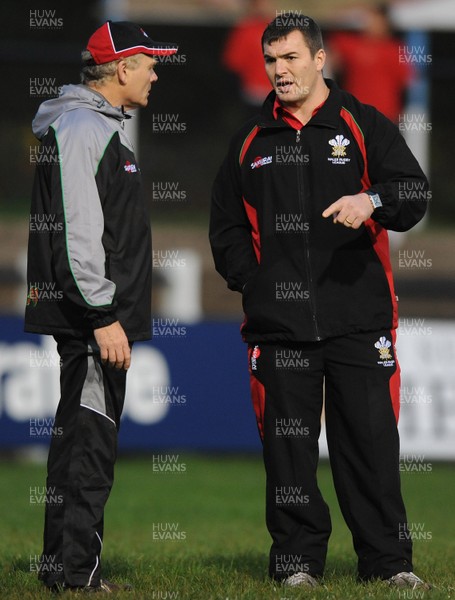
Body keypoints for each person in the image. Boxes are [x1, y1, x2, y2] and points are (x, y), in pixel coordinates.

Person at [210, 13, 430, 590]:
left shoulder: (361, 124)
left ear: (318, 59)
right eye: (271, 61)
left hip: (359, 320)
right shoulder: (250, 142)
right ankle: (296, 564)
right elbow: (226, 228)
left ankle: (388, 565)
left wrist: (372, 200)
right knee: (288, 458)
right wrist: (254, 282)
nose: (279, 71)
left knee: (371, 449)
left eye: (289, 58)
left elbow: (413, 191)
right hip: (279, 329)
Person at [25, 20, 177, 593]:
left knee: (80, 440)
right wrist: (103, 315)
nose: (156, 72)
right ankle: (74, 575)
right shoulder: (85, 127)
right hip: (94, 321)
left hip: (98, 317)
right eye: (148, 62)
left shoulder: (96, 126)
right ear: (121, 69)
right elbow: (79, 232)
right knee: (90, 445)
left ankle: (59, 570)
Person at [328, 4, 412, 123]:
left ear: (385, 22)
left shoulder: (395, 50)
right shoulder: (351, 44)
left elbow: (406, 84)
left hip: (385, 114)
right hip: (355, 113)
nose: (370, 23)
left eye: (375, 19)